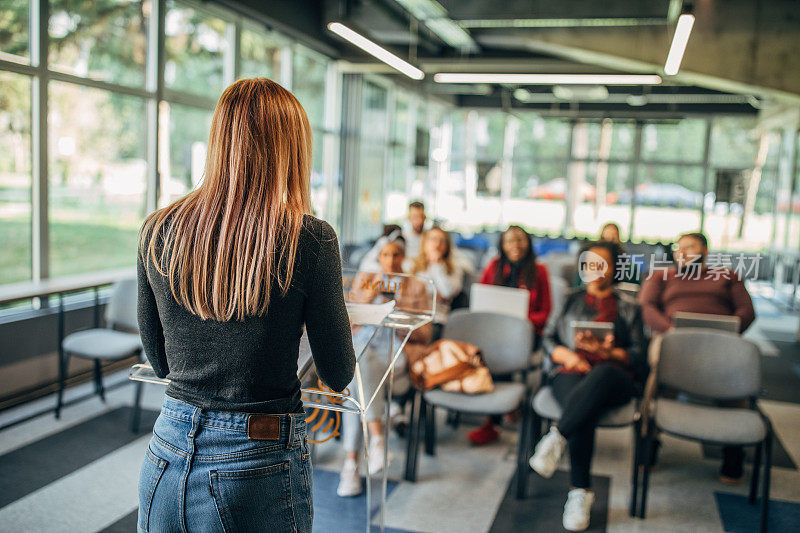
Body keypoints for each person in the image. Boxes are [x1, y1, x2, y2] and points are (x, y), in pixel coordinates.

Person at [136, 78, 355, 533]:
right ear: (291, 150)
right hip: (256, 459)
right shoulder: (310, 239)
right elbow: (337, 372)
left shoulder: (157, 229)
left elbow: (160, 362)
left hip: (166, 448)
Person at [529, 241, 648, 532]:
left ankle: (557, 436)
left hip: (614, 378)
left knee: (602, 375)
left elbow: (638, 356)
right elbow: (547, 339)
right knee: (584, 409)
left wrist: (608, 353)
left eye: (603, 264)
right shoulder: (570, 299)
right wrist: (569, 354)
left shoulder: (629, 307)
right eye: (591, 262)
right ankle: (580, 492)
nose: (596, 269)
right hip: (571, 369)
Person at [638, 231, 756, 483]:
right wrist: (669, 330)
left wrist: (732, 329)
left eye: (689, 247)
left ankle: (734, 448)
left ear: (704, 251)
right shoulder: (662, 275)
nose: (682, 252)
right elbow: (646, 307)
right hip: (673, 339)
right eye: (678, 248)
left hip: (720, 341)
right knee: (661, 362)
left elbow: (747, 310)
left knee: (737, 366)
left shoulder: (726, 276)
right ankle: (650, 437)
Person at [467, 225, 552, 446]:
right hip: (494, 332)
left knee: (501, 349)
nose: (515, 245)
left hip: (526, 334)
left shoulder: (539, 270)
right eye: (509, 241)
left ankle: (493, 419)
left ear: (528, 243)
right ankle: (501, 410)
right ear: (502, 245)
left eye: (520, 240)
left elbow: (545, 312)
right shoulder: (494, 267)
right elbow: (481, 301)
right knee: (492, 346)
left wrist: (521, 322)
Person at [339, 237, 409, 497]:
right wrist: (376, 289)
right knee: (360, 369)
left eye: (396, 255)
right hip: (363, 349)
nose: (391, 261)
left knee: (355, 386)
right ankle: (377, 441)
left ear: (404, 258)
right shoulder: (368, 279)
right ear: (378, 258)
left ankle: (351, 465)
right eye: (386, 255)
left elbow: (422, 335)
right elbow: (352, 317)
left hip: (394, 353)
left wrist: (399, 309)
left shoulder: (414, 284)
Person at [410, 227, 464, 333]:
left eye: (442, 240)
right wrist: (433, 292)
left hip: (436, 319)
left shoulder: (454, 269)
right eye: (433, 239)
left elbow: (446, 293)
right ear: (424, 242)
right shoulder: (413, 266)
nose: (437, 244)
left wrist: (437, 265)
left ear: (447, 246)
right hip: (413, 316)